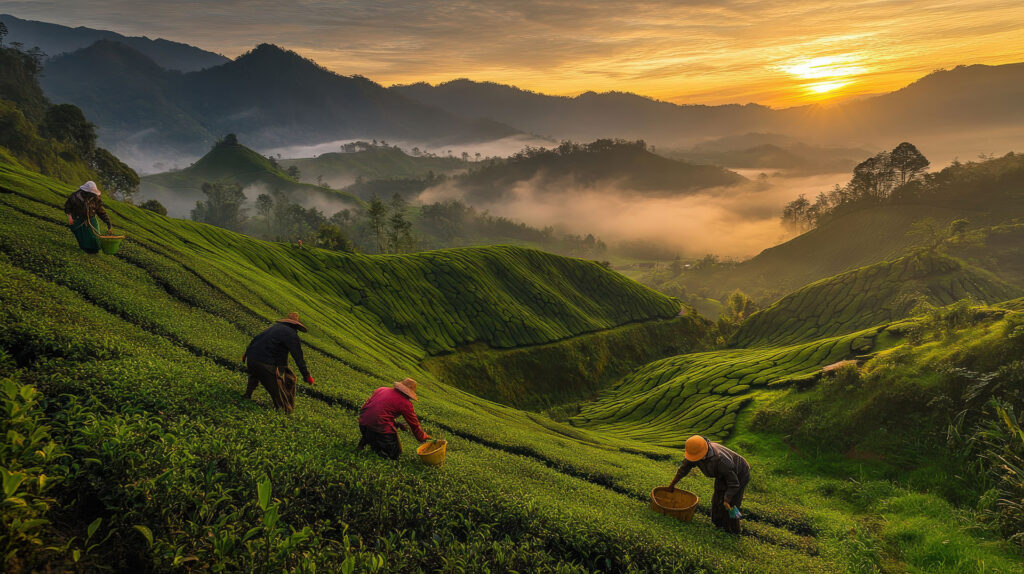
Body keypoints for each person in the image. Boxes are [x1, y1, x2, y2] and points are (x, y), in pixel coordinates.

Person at [668, 435, 750, 534]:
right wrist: (673, 484)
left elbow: (733, 483)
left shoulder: (720, 459)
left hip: (740, 473)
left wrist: (727, 498)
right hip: (722, 474)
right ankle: (718, 525)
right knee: (716, 500)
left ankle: (734, 531)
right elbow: (683, 469)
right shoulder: (695, 453)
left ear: (704, 451)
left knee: (731, 504)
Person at [242, 312, 315, 413]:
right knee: (280, 397)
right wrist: (307, 376)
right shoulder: (291, 334)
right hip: (265, 363)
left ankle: (247, 395)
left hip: (251, 358)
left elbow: (257, 339)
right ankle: (285, 411)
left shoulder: (274, 328)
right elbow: (298, 356)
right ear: (296, 326)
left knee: (284, 376)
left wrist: (246, 354)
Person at [357, 378, 432, 460]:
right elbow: (414, 425)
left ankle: (366, 441)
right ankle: (375, 446)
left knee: (375, 428)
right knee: (395, 454)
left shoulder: (381, 389)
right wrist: (423, 437)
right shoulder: (406, 403)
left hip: (363, 423)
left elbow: (371, 409)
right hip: (379, 429)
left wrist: (396, 424)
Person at [64, 181, 112, 253]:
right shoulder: (74, 197)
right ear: (85, 191)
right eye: (90, 193)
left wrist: (107, 221)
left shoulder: (95, 198)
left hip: (91, 219)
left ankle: (94, 251)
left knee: (95, 238)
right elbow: (67, 207)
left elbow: (100, 210)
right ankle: (86, 250)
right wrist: (70, 217)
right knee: (83, 239)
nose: (92, 195)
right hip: (79, 219)